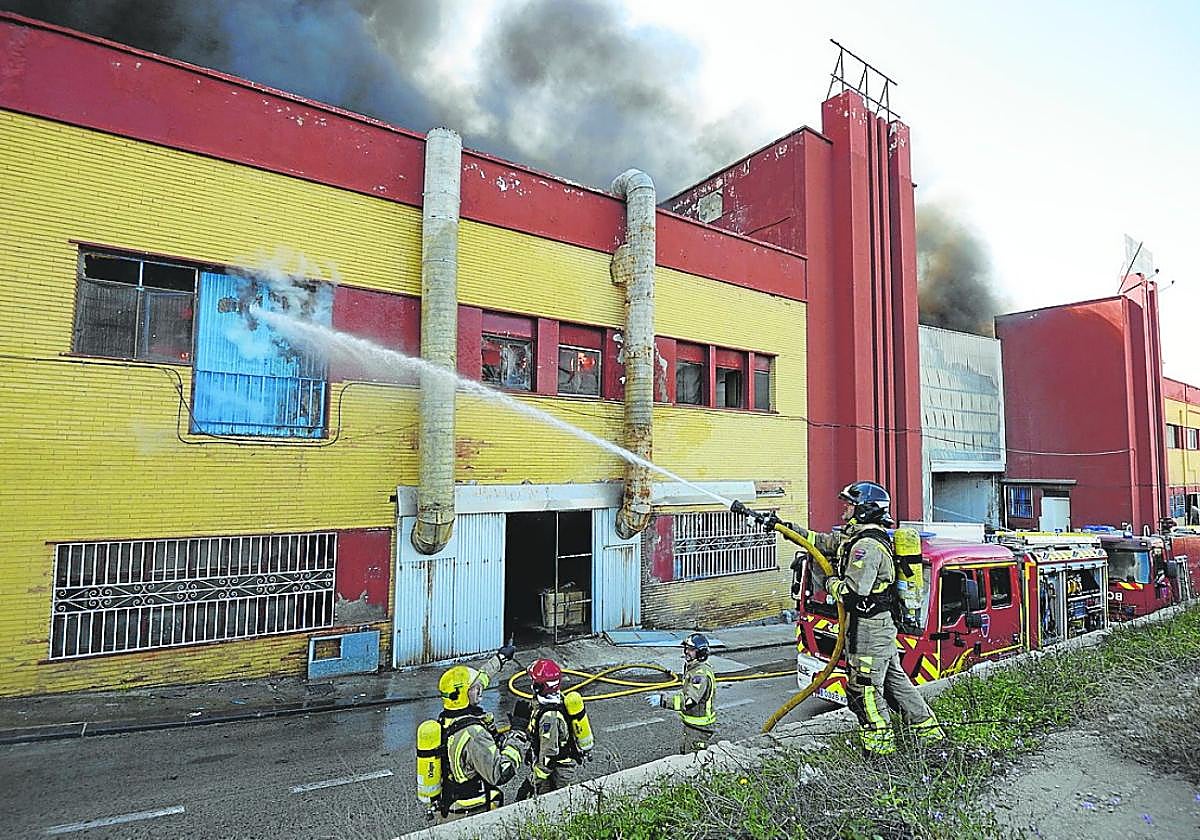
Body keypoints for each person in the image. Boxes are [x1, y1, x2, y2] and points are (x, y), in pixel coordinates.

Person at [770, 481, 944, 757]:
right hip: (874, 627)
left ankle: (880, 752)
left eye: (850, 504)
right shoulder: (854, 537)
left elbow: (853, 592)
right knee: (894, 685)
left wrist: (828, 584)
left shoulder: (866, 546)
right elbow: (819, 542)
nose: (845, 508)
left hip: (870, 629)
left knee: (864, 691)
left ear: (864, 510)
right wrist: (783, 527)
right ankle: (932, 737)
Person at [434, 642, 528, 821]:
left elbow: (480, 679)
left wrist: (500, 659)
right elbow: (501, 773)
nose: (480, 690)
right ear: (464, 694)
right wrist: (518, 731)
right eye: (475, 689)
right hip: (470, 815)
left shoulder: (447, 718)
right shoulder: (473, 734)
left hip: (449, 806)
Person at [515, 658, 589, 799]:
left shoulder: (549, 717)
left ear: (539, 687)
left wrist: (530, 783)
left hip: (558, 774)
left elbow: (549, 757)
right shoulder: (555, 700)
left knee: (556, 806)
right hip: (554, 769)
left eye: (533, 682)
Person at [649, 632, 717, 753]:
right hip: (693, 725)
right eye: (686, 648)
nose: (686, 652)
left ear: (700, 653)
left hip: (699, 727)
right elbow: (686, 691)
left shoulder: (699, 675)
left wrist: (664, 701)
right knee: (686, 751)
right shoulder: (693, 668)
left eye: (691, 649)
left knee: (694, 759)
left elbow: (689, 701)